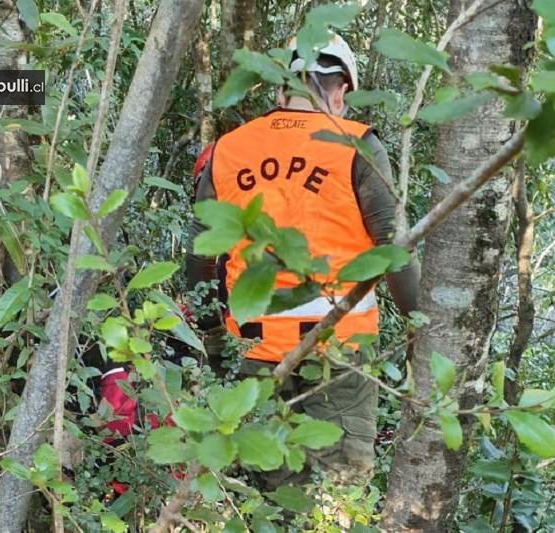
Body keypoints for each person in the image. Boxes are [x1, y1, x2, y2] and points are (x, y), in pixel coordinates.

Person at [186, 33, 418, 486]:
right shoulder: (357, 145)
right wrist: (419, 329)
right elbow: (395, 252)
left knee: (263, 499)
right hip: (339, 358)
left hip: (251, 355)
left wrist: (212, 336)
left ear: (280, 87)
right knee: (336, 502)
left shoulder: (230, 149)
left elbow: (199, 256)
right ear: (341, 90)